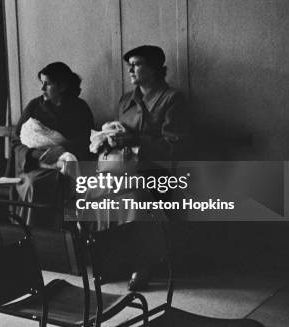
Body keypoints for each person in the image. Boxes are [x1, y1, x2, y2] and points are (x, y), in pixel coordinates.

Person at [113, 45, 190, 291]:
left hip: (157, 170)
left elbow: (173, 147)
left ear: (155, 69)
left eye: (136, 64)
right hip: (125, 166)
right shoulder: (126, 99)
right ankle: (108, 257)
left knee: (136, 194)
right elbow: (122, 133)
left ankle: (142, 264)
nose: (130, 69)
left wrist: (137, 142)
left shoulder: (172, 99)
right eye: (130, 65)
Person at [12, 62, 94, 225]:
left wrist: (62, 149)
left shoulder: (79, 108)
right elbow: (17, 140)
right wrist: (35, 155)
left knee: (69, 183)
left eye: (47, 84)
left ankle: (65, 234)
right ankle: (32, 233)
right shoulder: (34, 106)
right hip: (34, 165)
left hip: (68, 164)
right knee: (34, 184)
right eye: (41, 83)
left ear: (62, 86)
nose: (42, 89)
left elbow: (87, 139)